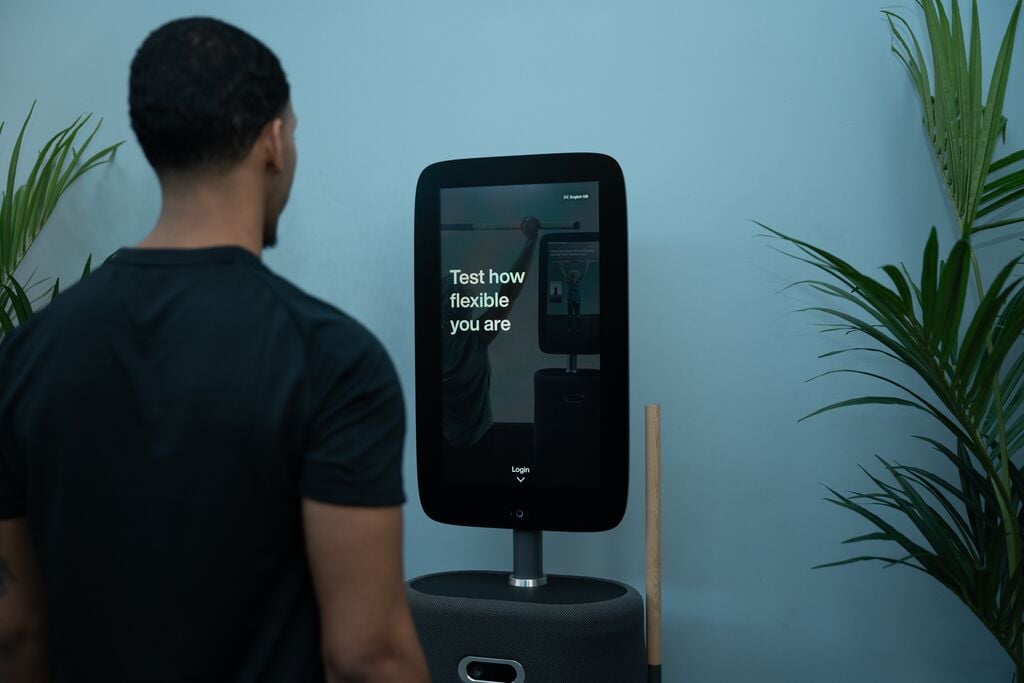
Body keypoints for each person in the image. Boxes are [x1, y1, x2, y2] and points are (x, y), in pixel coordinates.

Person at [0, 17, 429, 683]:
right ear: (273, 142)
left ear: (154, 142)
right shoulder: (334, 361)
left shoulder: (24, 355)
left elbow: (18, 632)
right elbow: (366, 655)